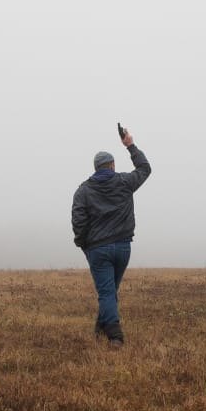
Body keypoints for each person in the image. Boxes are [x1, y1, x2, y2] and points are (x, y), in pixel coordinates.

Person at [71, 128, 152, 346]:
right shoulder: (124, 182)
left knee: (107, 291)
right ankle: (100, 327)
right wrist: (130, 145)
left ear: (96, 168)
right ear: (112, 165)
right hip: (123, 248)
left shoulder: (83, 190)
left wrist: (83, 244)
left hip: (98, 249)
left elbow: (78, 220)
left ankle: (115, 336)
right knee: (110, 290)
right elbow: (145, 168)